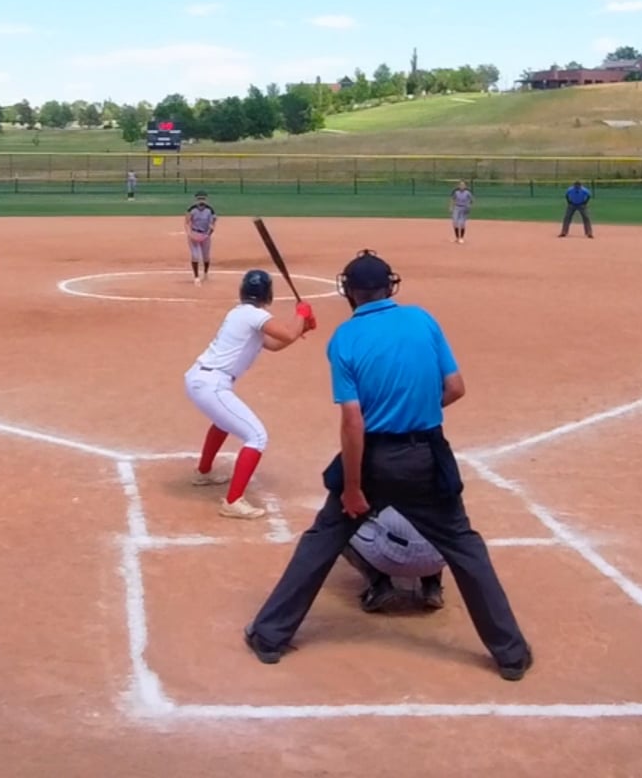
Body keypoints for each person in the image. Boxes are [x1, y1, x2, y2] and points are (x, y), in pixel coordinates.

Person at [242, 250, 533, 680]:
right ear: (389, 287)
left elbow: (353, 422)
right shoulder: (422, 320)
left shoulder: (345, 338)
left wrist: (352, 487)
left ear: (350, 292)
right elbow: (455, 388)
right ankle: (511, 655)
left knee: (322, 541)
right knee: (465, 548)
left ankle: (269, 636)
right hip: (427, 456)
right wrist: (416, 409)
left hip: (374, 458)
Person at [186, 270, 316, 519]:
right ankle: (233, 502)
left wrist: (303, 326)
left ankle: (203, 472)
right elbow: (287, 333)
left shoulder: (240, 314)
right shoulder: (256, 316)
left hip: (201, 379)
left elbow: (274, 344)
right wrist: (301, 314)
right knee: (257, 436)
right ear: (268, 294)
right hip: (212, 383)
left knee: (224, 422)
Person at [341, 506, 448, 612]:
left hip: (392, 555)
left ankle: (379, 586)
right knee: (440, 523)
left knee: (340, 524)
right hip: (438, 555)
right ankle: (432, 587)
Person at [185, 191, 217, 283]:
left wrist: (209, 233)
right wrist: (189, 233)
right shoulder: (191, 210)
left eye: (203, 199)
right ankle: (196, 276)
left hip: (205, 235)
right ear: (196, 200)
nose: (201, 201)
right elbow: (187, 222)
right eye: (199, 199)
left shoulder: (210, 210)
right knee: (195, 256)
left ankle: (205, 273)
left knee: (206, 256)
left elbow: (213, 223)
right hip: (194, 233)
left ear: (206, 199)